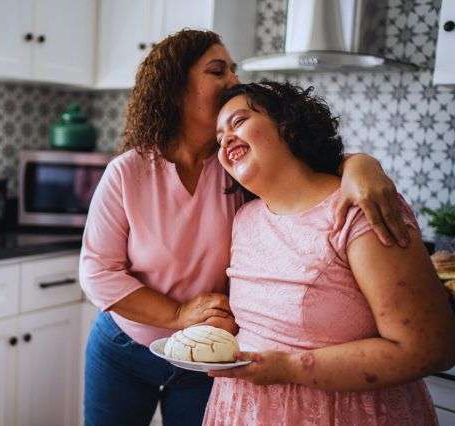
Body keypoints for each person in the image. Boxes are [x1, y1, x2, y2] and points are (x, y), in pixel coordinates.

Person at [80, 29, 409, 426]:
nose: (232, 81)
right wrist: (180, 315)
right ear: (175, 88)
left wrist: (361, 164)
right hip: (123, 348)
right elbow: (98, 273)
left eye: (233, 70)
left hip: (209, 355)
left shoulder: (239, 166)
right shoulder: (128, 171)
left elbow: (305, 163)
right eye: (218, 70)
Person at [203, 81, 455, 425]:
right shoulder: (244, 220)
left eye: (239, 121)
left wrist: (292, 368)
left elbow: (430, 347)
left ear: (287, 125)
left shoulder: (360, 209)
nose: (226, 140)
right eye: (219, 137)